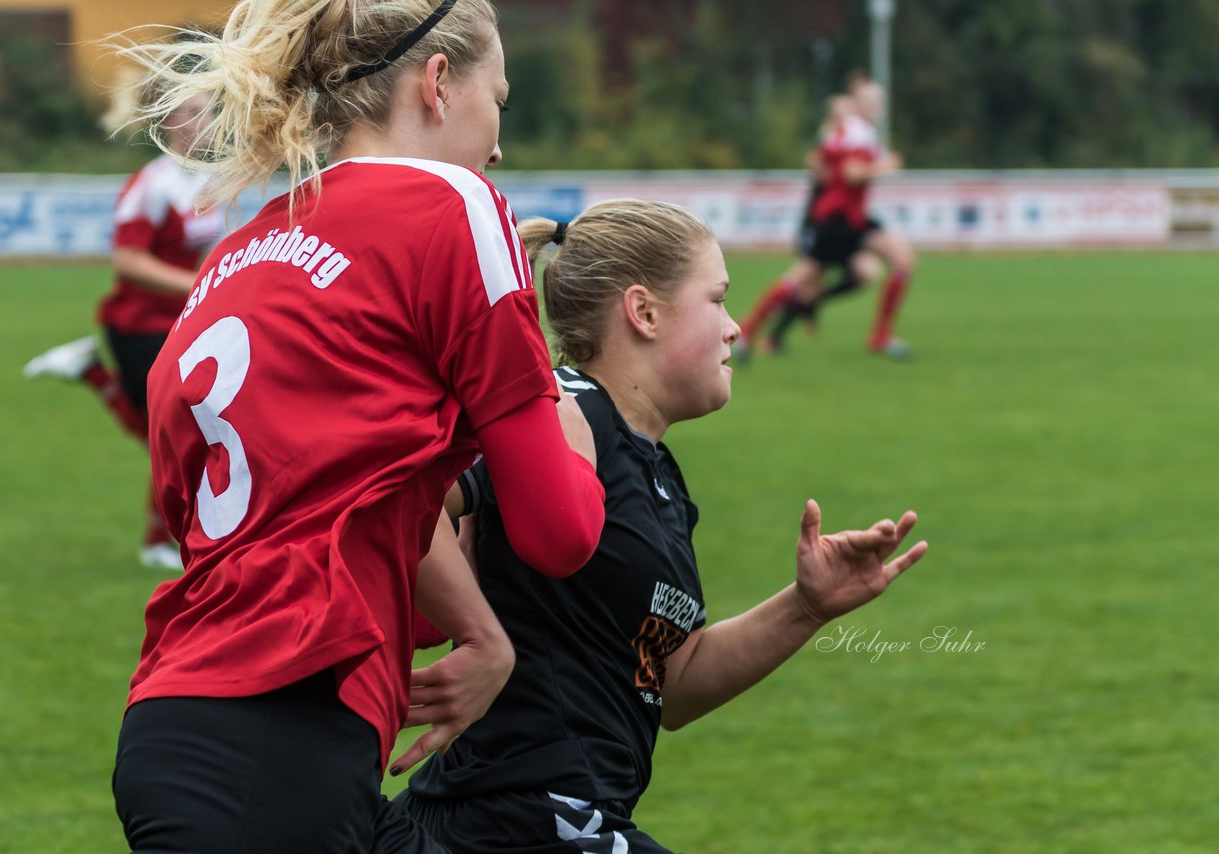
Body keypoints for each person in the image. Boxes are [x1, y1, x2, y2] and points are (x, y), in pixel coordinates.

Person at [105, 2, 607, 851]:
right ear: (439, 83)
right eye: (502, 103)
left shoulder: (240, 252)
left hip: (180, 716)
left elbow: (329, 495)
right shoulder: (457, 201)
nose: (498, 146)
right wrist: (568, 394)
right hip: (284, 743)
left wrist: (482, 632)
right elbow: (560, 533)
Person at [397, 199, 928, 852]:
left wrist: (806, 607)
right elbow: (398, 498)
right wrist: (481, 639)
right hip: (513, 819)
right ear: (644, 312)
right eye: (717, 300)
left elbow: (671, 682)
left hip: (551, 817)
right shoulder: (561, 413)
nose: (735, 328)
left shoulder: (658, 474)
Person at [23, 83, 224, 570]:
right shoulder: (152, 184)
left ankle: (162, 539)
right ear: (170, 121)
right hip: (138, 323)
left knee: (182, 433)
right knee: (172, 435)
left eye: (209, 111)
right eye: (193, 111)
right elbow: (128, 261)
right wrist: (199, 283)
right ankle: (161, 540)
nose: (205, 121)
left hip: (179, 321)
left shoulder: (211, 177)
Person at [738, 77, 915, 359]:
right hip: (836, 220)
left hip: (852, 219)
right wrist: (885, 166)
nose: (878, 107)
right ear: (858, 105)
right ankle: (748, 331)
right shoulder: (857, 133)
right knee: (805, 279)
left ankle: (880, 336)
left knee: (895, 261)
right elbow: (851, 173)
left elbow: (823, 160)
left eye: (880, 101)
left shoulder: (851, 131)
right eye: (872, 102)